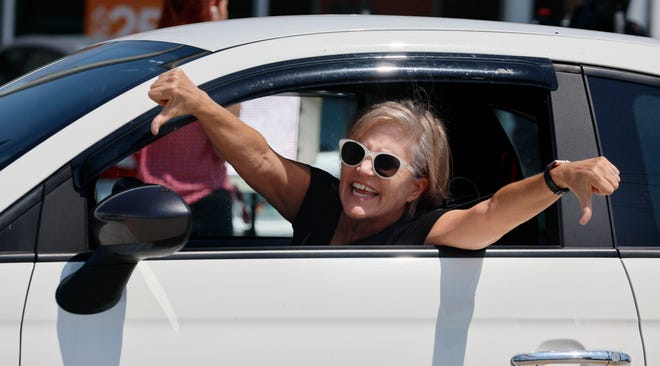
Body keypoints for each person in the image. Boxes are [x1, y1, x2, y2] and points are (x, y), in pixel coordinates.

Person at [146, 69, 621, 248]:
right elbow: (261, 160)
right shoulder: (321, 201)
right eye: (355, 153)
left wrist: (558, 178)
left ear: (417, 185)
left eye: (386, 164)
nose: (363, 169)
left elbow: (490, 214)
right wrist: (203, 104)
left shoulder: (423, 229)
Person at [135, 0, 242, 238]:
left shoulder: (149, 58)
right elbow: (226, 147)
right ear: (212, 7)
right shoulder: (215, 62)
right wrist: (223, 34)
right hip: (205, 200)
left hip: (150, 201)